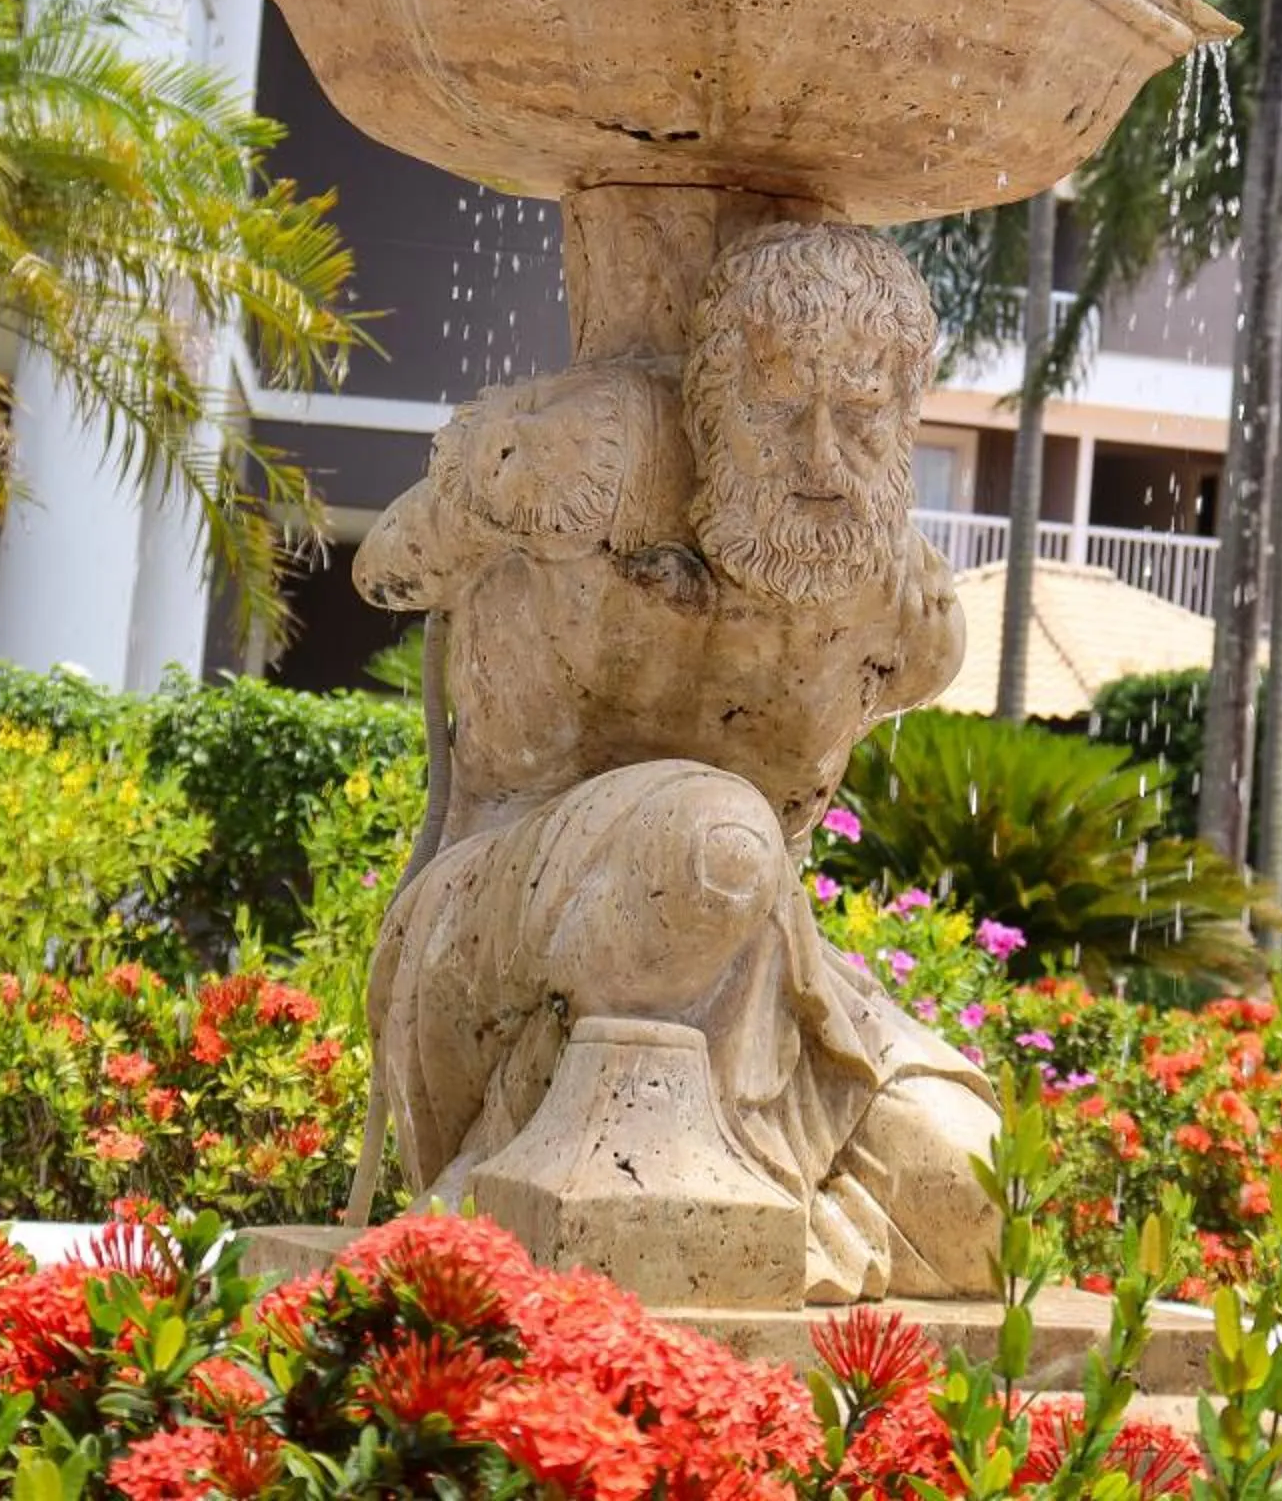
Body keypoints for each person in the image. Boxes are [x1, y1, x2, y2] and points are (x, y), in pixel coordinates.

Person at [353, 220, 996, 1303]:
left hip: (764, 972)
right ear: (710, 397)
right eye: (781, 411)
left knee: (974, 1192)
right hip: (500, 937)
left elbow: (909, 658)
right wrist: (482, 483)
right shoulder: (602, 456)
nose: (823, 459)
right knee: (713, 839)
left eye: (860, 416)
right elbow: (384, 571)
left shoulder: (904, 607)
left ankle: (747, 1219)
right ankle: (529, 1173)